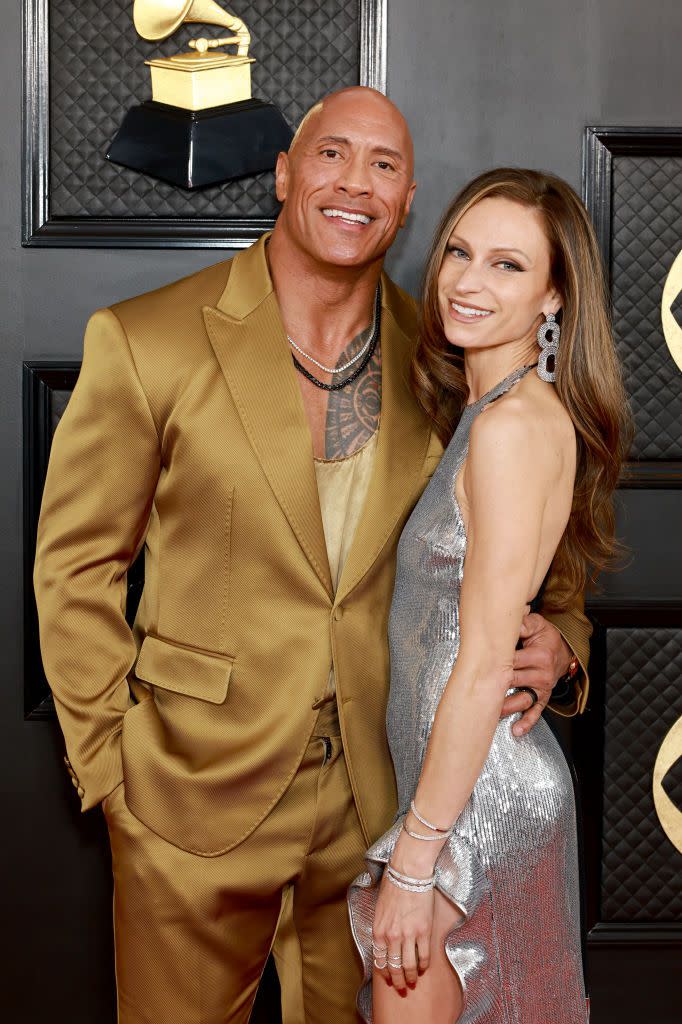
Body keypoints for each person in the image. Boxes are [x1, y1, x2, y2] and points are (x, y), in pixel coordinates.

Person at [34, 90, 591, 1024]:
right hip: (191, 802)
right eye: (333, 154)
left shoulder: (449, 351)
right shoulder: (146, 339)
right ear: (286, 172)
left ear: (408, 199)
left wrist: (562, 638)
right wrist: (114, 775)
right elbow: (74, 567)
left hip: (386, 804)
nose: (355, 184)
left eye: (383, 166)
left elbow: (536, 542)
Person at [348, 168, 632, 1024]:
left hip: (473, 804)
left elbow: (477, 665)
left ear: (555, 296)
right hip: (461, 785)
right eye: (460, 253)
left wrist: (415, 861)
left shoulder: (510, 427)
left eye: (508, 265)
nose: (469, 282)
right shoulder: (494, 411)